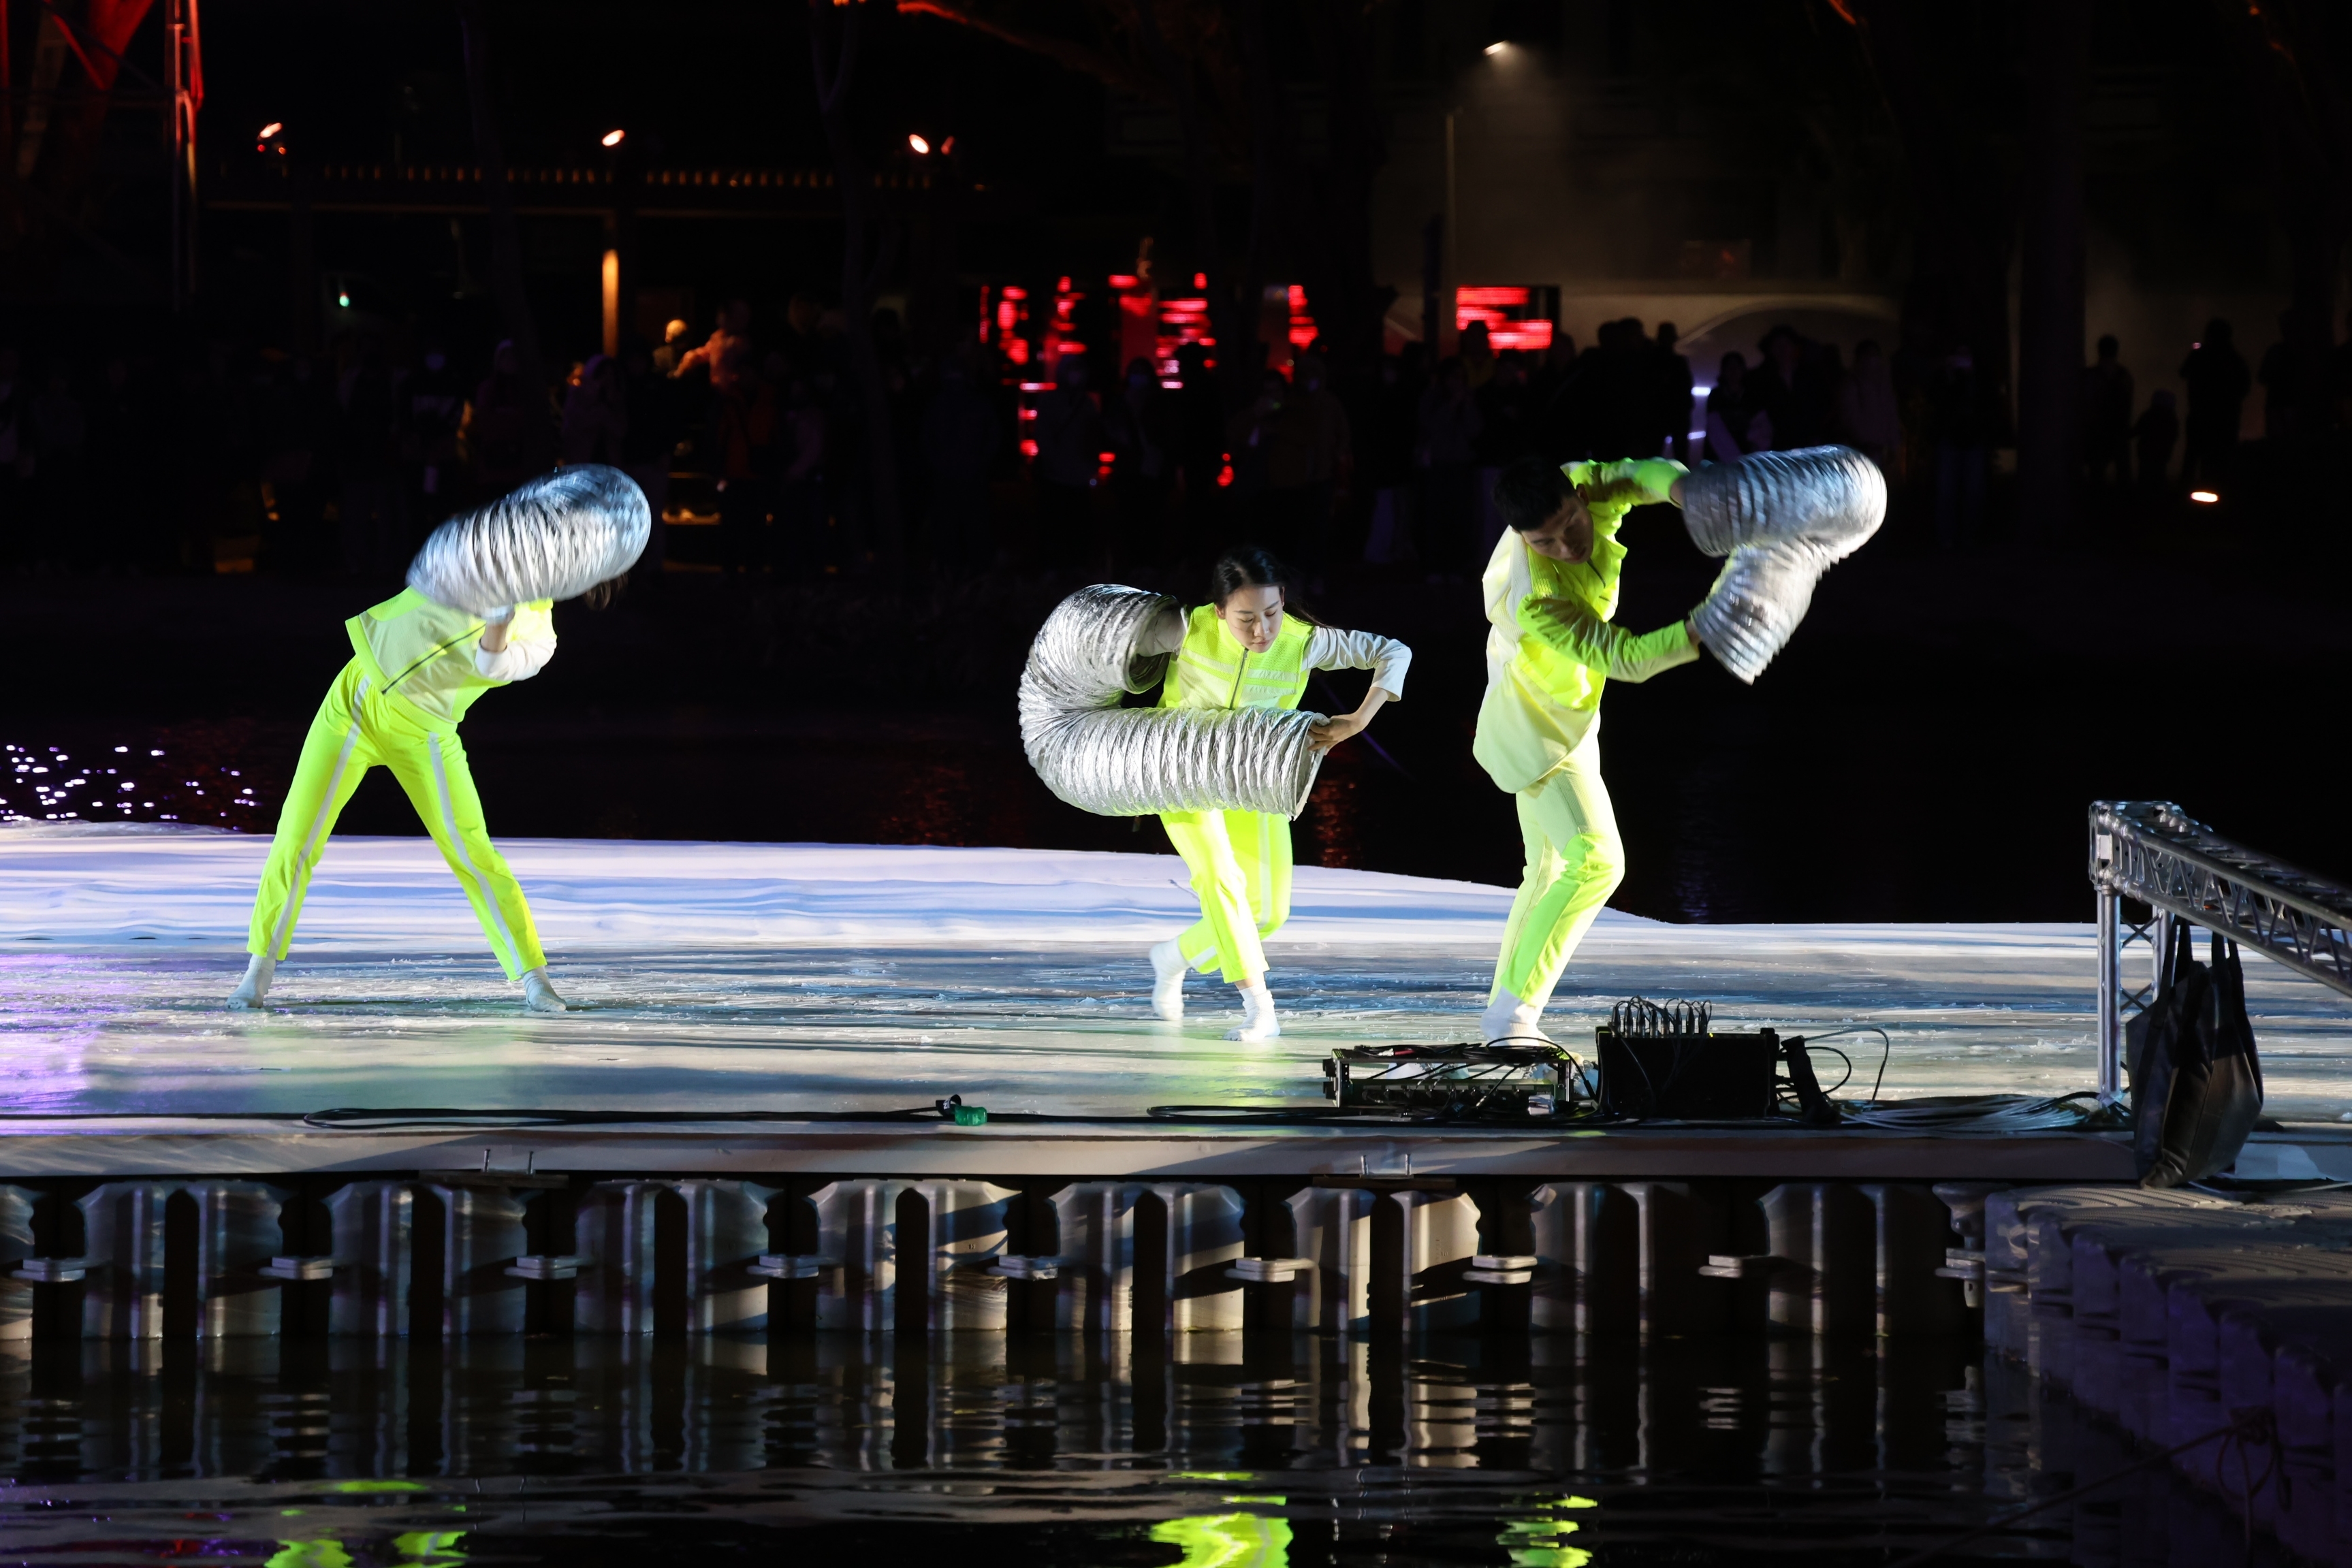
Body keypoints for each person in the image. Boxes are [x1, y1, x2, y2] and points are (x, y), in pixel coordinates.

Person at [226, 479, 638, 1013]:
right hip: (353, 703)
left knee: (474, 853)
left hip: (427, 733)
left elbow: (493, 666)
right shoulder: (487, 550)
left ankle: (535, 979)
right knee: (296, 838)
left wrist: (499, 622)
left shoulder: (541, 636)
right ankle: (256, 974)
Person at [1139, 546, 1410, 1041]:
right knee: (1220, 879)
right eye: (1245, 618)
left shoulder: (1304, 641)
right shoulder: (1184, 627)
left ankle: (1173, 956)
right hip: (1180, 772)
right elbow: (1106, 646)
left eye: (1271, 613)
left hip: (1252, 778)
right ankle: (1259, 1008)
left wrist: (1358, 719)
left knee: (1268, 911)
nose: (1262, 631)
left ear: (1283, 600)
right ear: (1219, 611)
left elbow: (1395, 651)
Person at [1475, 455, 1700, 1044]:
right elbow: (1623, 656)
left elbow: (1647, 473)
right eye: (1543, 541)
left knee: (1547, 868)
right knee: (1597, 860)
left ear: (1577, 496)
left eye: (1571, 524)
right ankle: (1515, 1016)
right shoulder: (1538, 596)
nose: (1567, 545)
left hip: (1569, 707)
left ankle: (1504, 1013)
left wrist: (1685, 491)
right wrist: (1705, 630)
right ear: (1523, 539)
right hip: (1536, 724)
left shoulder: (1586, 481)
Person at [2178, 319, 2248, 492]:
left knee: (2194, 456)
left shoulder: (2200, 355)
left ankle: (2186, 495)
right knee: (2221, 458)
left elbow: (2183, 373)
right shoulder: (2236, 360)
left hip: (2200, 416)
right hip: (2226, 419)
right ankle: (2219, 493)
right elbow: (2244, 388)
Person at [2081, 335, 2133, 489]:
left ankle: (2096, 507)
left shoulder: (2090, 376)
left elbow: (2086, 405)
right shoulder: (2125, 375)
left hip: (2097, 430)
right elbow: (2127, 404)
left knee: (2096, 474)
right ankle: (2124, 508)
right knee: (2123, 474)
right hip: (2119, 429)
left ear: (2099, 351)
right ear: (2116, 351)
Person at [2134, 389, 2179, 496]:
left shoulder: (2148, 416)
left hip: (2146, 452)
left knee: (2145, 476)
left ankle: (2144, 499)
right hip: (2161, 454)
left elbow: (2137, 430)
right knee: (2158, 475)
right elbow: (2174, 436)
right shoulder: (2171, 419)